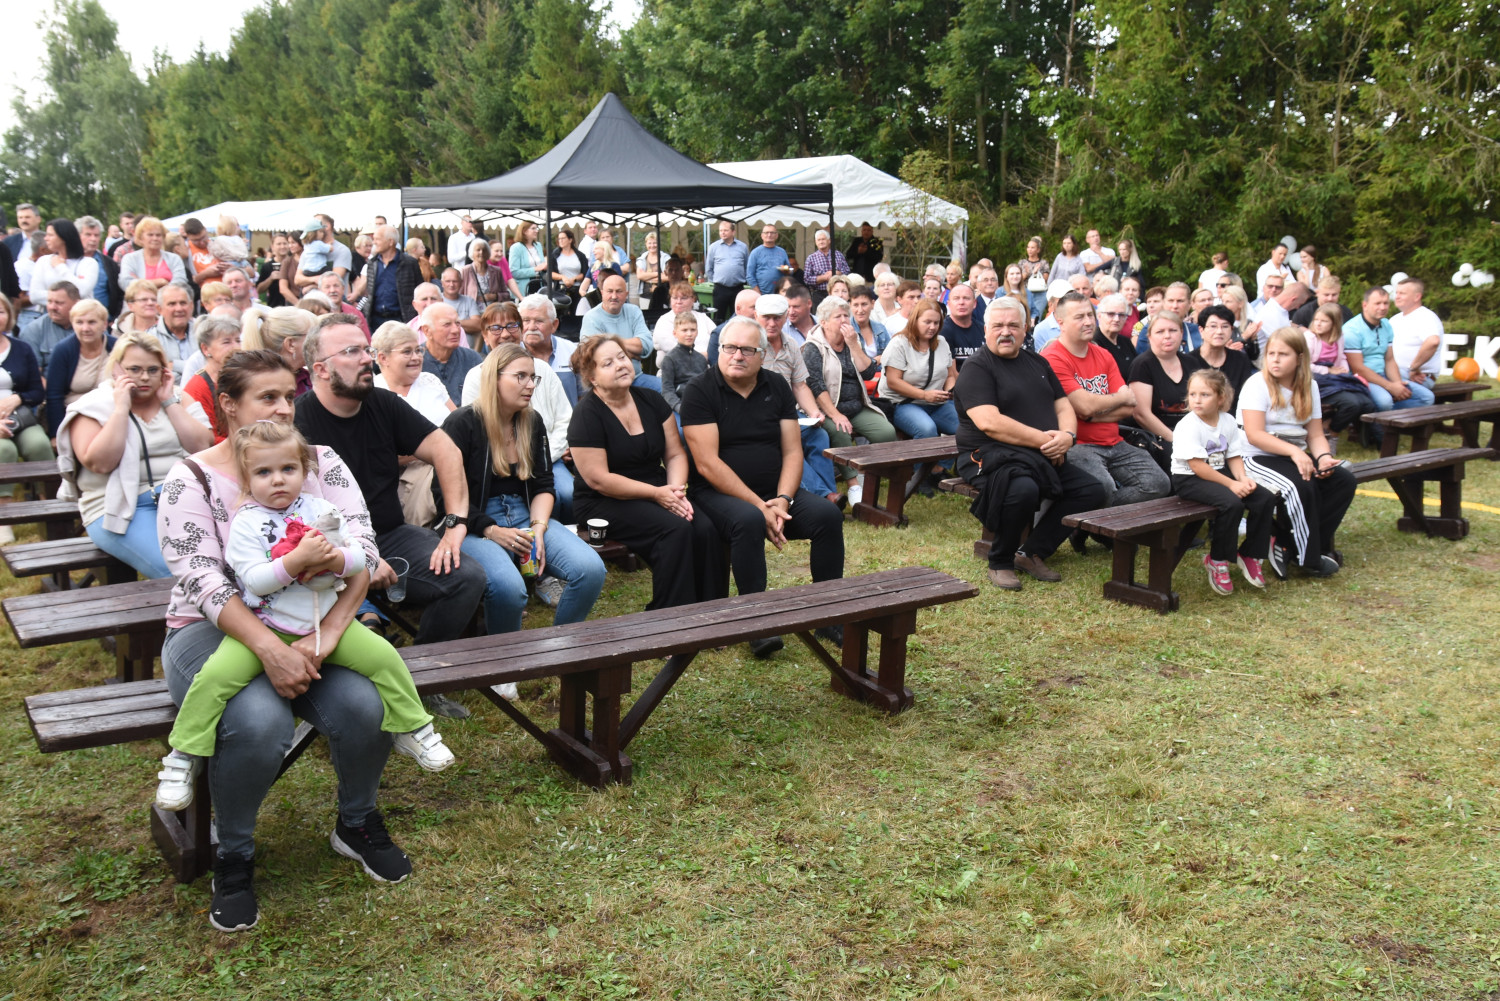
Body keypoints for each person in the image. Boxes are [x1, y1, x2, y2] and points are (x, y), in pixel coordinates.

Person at [157, 349, 417, 931]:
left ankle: (356, 822)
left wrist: (331, 634)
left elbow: (363, 551)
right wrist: (270, 650)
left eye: (288, 395)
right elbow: (203, 582)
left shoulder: (319, 462)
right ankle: (233, 853)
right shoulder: (190, 478)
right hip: (210, 629)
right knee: (259, 722)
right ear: (228, 405)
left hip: (316, 621)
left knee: (364, 705)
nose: (284, 408)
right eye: (267, 397)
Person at [153, 420, 454, 818]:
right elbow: (255, 581)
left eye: (288, 469)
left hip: (322, 618)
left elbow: (360, 560)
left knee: (385, 658)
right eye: (264, 472)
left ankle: (415, 728)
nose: (277, 480)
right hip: (267, 624)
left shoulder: (321, 510)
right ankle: (183, 755)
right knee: (214, 679)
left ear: (304, 471)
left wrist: (335, 559)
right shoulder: (245, 522)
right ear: (246, 478)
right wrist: (296, 562)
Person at [293, 315, 486, 685]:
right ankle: (355, 685)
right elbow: (291, 515)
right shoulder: (297, 422)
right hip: (323, 549)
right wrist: (360, 555)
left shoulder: (383, 403)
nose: (367, 359)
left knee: (467, 577)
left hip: (390, 535)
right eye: (352, 351)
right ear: (320, 369)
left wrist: (455, 523)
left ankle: (418, 678)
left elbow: (446, 450)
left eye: (366, 349)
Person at [680, 316, 845, 657]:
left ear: (762, 355)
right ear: (719, 349)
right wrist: (760, 505)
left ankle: (828, 615)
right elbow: (707, 463)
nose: (737, 356)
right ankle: (756, 623)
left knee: (827, 517)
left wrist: (782, 500)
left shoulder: (776, 385)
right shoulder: (700, 390)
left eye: (747, 350)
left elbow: (793, 451)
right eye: (730, 348)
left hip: (774, 491)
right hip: (716, 493)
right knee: (749, 520)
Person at [440, 345, 605, 639]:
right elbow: (443, 496)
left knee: (590, 569)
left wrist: (538, 527)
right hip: (473, 522)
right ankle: (506, 663)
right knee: (510, 590)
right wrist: (490, 529)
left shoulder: (531, 421)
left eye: (533, 377)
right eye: (521, 376)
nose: (530, 385)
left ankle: (562, 648)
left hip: (525, 515)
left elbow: (543, 484)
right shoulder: (462, 423)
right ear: (494, 378)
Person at [954, 298, 1106, 590]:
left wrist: (1068, 436)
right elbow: (990, 422)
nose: (1005, 332)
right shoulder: (977, 367)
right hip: (987, 455)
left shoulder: (1037, 362)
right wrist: (1047, 443)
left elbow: (1063, 405)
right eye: (998, 325)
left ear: (1026, 329)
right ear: (985, 329)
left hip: (1038, 453)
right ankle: (1000, 561)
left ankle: (1030, 552)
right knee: (1024, 489)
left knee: (1090, 490)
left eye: (1013, 325)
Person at [569, 334, 723, 609]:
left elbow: (675, 454)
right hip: (604, 500)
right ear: (592, 378)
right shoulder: (586, 414)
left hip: (660, 488)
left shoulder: (651, 399)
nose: (620, 365)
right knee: (674, 529)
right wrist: (657, 494)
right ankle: (669, 616)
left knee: (705, 528)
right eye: (608, 363)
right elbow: (598, 479)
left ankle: (712, 610)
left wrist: (676, 492)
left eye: (622, 357)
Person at [57, 331, 212, 578]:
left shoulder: (178, 397)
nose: (145, 377)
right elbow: (100, 463)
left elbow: (203, 447)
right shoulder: (92, 406)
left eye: (153, 370)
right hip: (117, 508)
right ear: (116, 368)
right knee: (177, 570)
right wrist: (121, 409)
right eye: (135, 369)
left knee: (223, 561)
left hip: (180, 497)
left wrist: (168, 402)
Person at [1238, 327, 1357, 579]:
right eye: (1271, 353)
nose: (1275, 360)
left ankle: (1286, 544)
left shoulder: (1309, 386)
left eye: (1283, 354)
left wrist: (1323, 458)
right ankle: (1309, 559)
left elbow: (1315, 435)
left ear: (1299, 358)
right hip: (1255, 455)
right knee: (1300, 486)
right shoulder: (1256, 384)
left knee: (1342, 481)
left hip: (1292, 455)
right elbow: (1254, 434)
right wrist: (1295, 452)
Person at [1041, 292, 1170, 509]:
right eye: (1079, 317)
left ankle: (1095, 519)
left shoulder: (1103, 354)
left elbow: (1128, 407)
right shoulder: (1053, 358)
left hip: (1114, 441)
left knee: (1158, 484)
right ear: (1060, 322)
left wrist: (1092, 415)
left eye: (1090, 315)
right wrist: (1116, 398)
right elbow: (1086, 406)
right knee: (1103, 488)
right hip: (1079, 444)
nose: (1088, 322)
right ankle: (1091, 520)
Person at [463, 296, 576, 525]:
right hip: (501, 464)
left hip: (549, 457)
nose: (505, 334)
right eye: (496, 328)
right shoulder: (476, 376)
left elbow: (565, 419)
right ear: (484, 335)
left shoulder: (542, 369)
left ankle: (557, 536)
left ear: (521, 330)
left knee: (568, 493)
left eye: (512, 326)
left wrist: (546, 455)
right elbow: (473, 429)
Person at [1169, 368, 1276, 595]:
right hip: (1190, 479)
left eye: (1205, 394)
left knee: (1264, 498)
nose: (1197, 400)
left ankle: (1250, 553)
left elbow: (1233, 456)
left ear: (1220, 398)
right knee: (1232, 503)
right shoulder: (1188, 425)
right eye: (1192, 394)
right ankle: (1217, 560)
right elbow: (1197, 467)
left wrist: (1243, 479)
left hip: (1219, 473)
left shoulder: (1228, 421)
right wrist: (1232, 485)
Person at [803, 296, 897, 505]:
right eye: (838, 317)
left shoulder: (852, 340)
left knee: (886, 433)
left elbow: (869, 372)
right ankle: (854, 485)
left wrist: (854, 345)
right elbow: (816, 386)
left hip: (856, 406)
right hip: (826, 409)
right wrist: (836, 415)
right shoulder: (813, 347)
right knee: (840, 432)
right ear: (824, 322)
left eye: (846, 315)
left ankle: (868, 474)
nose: (845, 320)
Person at [371, 319, 455, 527]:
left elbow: (457, 422)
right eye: (407, 352)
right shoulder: (373, 393)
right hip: (403, 476)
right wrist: (434, 447)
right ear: (383, 358)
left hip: (450, 459)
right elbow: (380, 454)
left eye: (418, 350)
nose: (416, 357)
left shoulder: (429, 380)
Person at [878, 299, 957, 493]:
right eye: (927, 322)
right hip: (903, 402)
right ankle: (916, 477)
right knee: (927, 429)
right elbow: (893, 381)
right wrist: (924, 395)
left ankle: (939, 469)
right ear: (915, 320)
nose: (932, 327)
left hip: (936, 402)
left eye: (936, 322)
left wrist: (949, 390)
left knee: (965, 426)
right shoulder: (899, 343)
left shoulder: (942, 343)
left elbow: (950, 375)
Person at [0, 293, 52, 542]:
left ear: (9, 315)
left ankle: (50, 508)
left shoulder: (21, 349)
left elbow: (37, 391)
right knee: (4, 450)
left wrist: (17, 398)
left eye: (1, 311)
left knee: (39, 444)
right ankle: (5, 517)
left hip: (20, 418)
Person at [1342, 285, 1435, 420]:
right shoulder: (1351, 330)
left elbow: (1389, 359)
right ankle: (1375, 425)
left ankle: (1393, 423)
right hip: (1361, 379)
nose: (1382, 307)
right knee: (1385, 401)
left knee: (1427, 398)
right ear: (1365, 305)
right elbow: (1358, 369)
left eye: (1385, 303)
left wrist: (1397, 384)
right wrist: (1390, 387)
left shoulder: (1386, 325)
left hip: (1384, 375)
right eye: (1377, 303)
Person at [1304, 302, 1374, 451]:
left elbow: (1341, 357)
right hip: (1316, 379)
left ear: (1334, 324)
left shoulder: (1339, 337)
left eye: (1324, 321)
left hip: (1334, 378)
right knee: (1351, 403)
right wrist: (1328, 370)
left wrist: (1344, 370)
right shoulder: (1310, 338)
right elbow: (1304, 364)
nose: (1318, 324)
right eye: (1316, 320)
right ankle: (1332, 431)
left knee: (1366, 401)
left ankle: (1363, 437)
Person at [1128, 311, 1206, 445]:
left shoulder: (1192, 363)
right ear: (1149, 337)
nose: (1167, 336)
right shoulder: (1142, 365)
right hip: (1159, 437)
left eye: (1173, 330)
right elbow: (1141, 414)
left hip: (1193, 432)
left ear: (1181, 333)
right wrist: (1176, 440)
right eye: (1160, 332)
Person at [45, 298, 118, 438]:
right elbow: (54, 395)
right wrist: (57, 434)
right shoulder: (63, 350)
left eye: (92, 322)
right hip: (74, 416)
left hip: (111, 415)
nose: (85, 328)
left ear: (104, 325)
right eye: (79, 322)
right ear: (72, 324)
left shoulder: (117, 347)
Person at [579, 274, 660, 391]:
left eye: (619, 291)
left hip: (636, 378)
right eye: (609, 291)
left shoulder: (634, 311)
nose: (614, 296)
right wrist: (630, 353)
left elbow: (646, 345)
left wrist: (609, 341)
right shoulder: (591, 317)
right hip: (609, 383)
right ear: (602, 293)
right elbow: (595, 354)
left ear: (626, 294)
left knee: (666, 389)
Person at [181, 315, 244, 441]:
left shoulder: (243, 377)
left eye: (238, 340)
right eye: (226, 342)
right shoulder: (198, 387)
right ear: (205, 349)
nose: (236, 347)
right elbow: (209, 438)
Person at [357, 225, 423, 329]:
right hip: (376, 320)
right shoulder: (372, 263)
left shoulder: (409, 263)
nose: (374, 242)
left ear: (390, 242)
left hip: (401, 319)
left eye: (377, 239)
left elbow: (420, 290)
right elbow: (369, 292)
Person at [242, 306, 314, 397]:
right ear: (291, 344)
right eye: (312, 336)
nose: (318, 342)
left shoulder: (308, 376)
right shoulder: (265, 387)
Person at [30, 219, 101, 306]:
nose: (46, 238)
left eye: (50, 235)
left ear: (63, 237)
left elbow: (81, 291)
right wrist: (65, 299)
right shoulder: (43, 261)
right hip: (50, 313)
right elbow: (34, 296)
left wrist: (60, 267)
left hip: (80, 313)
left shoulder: (88, 263)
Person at [1194, 304, 1256, 402]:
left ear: (1231, 330)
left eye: (1225, 326)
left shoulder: (1240, 360)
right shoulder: (1189, 361)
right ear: (1201, 330)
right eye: (1213, 326)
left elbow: (1246, 397)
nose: (1219, 331)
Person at [1389, 277, 1443, 389]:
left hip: (1418, 378)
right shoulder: (1394, 319)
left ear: (1417, 297)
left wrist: (1413, 368)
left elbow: (1433, 341)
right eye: (1396, 293)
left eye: (1402, 293)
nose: (1397, 296)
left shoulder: (1425, 316)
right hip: (1395, 373)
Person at [21, 280, 79, 370]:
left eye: (59, 303)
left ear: (76, 304)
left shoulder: (89, 327)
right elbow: (34, 373)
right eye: (49, 302)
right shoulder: (34, 330)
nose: (52, 307)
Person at [659, 311, 710, 411]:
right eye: (684, 330)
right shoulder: (670, 359)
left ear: (697, 332)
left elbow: (707, 386)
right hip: (680, 405)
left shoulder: (701, 359)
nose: (689, 334)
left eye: (693, 330)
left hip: (701, 404)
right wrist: (680, 408)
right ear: (675, 333)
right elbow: (667, 390)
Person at [651, 280, 713, 357]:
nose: (679, 302)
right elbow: (673, 350)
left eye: (684, 298)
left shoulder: (703, 318)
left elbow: (718, 338)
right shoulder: (664, 321)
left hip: (707, 362)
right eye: (675, 298)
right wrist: (703, 356)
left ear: (693, 299)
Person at [704, 219, 749, 321]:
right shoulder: (713, 247)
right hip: (720, 289)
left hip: (738, 288)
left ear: (733, 232)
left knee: (738, 318)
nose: (722, 233)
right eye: (720, 230)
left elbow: (747, 267)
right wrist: (716, 281)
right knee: (718, 318)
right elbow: (709, 268)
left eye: (725, 230)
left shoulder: (742, 247)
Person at [459, 239, 522, 308]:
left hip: (493, 310)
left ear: (488, 253)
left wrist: (495, 296)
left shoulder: (497, 271)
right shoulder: (465, 271)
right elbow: (458, 294)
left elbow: (506, 294)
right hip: (472, 311)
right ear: (472, 253)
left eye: (484, 250)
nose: (481, 252)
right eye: (478, 250)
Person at [1092, 292, 1138, 378]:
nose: (1116, 319)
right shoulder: (1094, 343)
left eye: (1121, 315)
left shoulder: (1126, 341)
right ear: (1099, 316)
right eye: (1111, 314)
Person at [940, 284, 984, 368]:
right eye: (956, 298)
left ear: (974, 303)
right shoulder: (942, 331)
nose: (961, 302)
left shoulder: (983, 330)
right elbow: (951, 373)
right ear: (949, 304)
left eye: (966, 298)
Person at [547, 228, 588, 317]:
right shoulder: (555, 255)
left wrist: (574, 279)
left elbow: (585, 273)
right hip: (561, 289)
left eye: (563, 238)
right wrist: (562, 277)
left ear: (570, 240)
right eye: (559, 239)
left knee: (576, 313)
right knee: (561, 314)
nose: (560, 241)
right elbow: (550, 273)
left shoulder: (580, 255)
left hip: (577, 289)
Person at [847, 285, 889, 369]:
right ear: (850, 306)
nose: (860, 310)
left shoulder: (880, 328)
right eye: (856, 305)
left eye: (864, 304)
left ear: (872, 304)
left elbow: (890, 356)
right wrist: (875, 361)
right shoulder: (846, 329)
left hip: (880, 374)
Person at [803, 229, 849, 302]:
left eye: (823, 239)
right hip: (819, 295)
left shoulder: (838, 255)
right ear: (815, 242)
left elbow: (847, 272)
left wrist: (837, 273)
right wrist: (824, 277)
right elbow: (806, 279)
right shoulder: (811, 258)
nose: (821, 242)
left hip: (838, 294)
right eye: (819, 240)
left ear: (829, 241)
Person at [746, 224, 790, 294]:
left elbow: (790, 272)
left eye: (772, 233)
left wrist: (786, 270)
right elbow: (750, 275)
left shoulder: (782, 252)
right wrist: (757, 293)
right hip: (761, 293)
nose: (769, 235)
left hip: (780, 293)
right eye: (766, 233)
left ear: (776, 235)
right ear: (762, 235)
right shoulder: (755, 252)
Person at [509, 222, 546, 295]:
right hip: (525, 288)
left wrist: (545, 266)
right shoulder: (516, 247)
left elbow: (541, 265)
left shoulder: (538, 245)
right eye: (533, 228)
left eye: (537, 228)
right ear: (524, 231)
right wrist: (535, 269)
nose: (536, 231)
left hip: (540, 284)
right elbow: (514, 272)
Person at [256, 233, 290, 308]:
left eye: (285, 243)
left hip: (292, 307)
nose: (282, 246)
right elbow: (259, 289)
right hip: (274, 307)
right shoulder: (267, 266)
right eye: (279, 244)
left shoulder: (294, 263)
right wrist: (270, 278)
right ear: (272, 247)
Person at [635, 232, 662, 298]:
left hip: (663, 296)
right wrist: (658, 274)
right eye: (649, 243)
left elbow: (668, 277)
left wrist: (647, 277)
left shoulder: (665, 258)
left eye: (654, 243)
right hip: (645, 296)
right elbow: (640, 276)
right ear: (646, 244)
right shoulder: (642, 259)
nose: (652, 245)